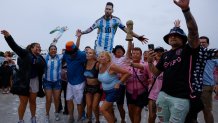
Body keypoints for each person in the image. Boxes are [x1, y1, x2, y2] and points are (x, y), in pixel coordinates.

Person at [147, 0, 201, 122]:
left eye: (176, 35)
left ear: (183, 39)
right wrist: (150, 62)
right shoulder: (166, 55)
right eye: (170, 35)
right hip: (163, 95)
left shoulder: (189, 49)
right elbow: (156, 73)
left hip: (180, 98)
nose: (172, 36)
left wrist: (186, 10)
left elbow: (193, 31)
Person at [1, 30, 45, 123]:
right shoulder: (25, 54)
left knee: (33, 101)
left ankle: (33, 118)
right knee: (23, 102)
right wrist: (8, 37)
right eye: (37, 46)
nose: (39, 48)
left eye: (40, 47)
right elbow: (15, 46)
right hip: (24, 82)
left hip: (35, 81)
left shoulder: (40, 57)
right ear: (32, 48)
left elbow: (42, 67)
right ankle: (21, 120)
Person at [77, 2, 148, 54]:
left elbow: (126, 30)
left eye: (109, 9)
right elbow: (90, 29)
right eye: (106, 9)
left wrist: (138, 37)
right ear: (104, 10)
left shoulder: (116, 20)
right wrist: (82, 32)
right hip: (98, 47)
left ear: (112, 11)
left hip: (109, 49)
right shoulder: (99, 21)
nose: (107, 11)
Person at [98, 51, 131, 123]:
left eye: (103, 56)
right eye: (100, 56)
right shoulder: (100, 65)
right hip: (106, 91)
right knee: (109, 110)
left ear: (108, 58)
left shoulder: (112, 66)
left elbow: (127, 73)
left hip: (114, 90)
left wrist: (119, 83)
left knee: (103, 109)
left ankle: (122, 120)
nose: (101, 58)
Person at [76, 31, 102, 123]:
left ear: (94, 55)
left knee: (95, 106)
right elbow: (76, 50)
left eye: (90, 53)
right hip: (88, 88)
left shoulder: (97, 64)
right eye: (87, 52)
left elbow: (106, 68)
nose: (87, 54)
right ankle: (89, 119)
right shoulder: (85, 63)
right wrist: (79, 37)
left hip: (97, 88)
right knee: (89, 105)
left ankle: (97, 120)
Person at [62, 40, 87, 122]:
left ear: (76, 49)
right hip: (70, 82)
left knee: (79, 102)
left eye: (72, 52)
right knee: (68, 100)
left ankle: (80, 117)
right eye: (69, 52)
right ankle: (71, 116)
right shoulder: (66, 54)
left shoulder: (82, 54)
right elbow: (63, 63)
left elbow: (87, 64)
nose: (70, 54)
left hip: (79, 82)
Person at [43, 45, 62, 123]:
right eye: (52, 49)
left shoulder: (60, 57)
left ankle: (56, 113)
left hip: (57, 81)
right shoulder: (44, 58)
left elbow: (70, 53)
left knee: (57, 99)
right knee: (48, 99)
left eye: (55, 49)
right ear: (49, 50)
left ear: (56, 50)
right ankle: (47, 115)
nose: (53, 50)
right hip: (47, 81)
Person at [147, 47, 164, 123]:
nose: (159, 53)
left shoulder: (168, 63)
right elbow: (143, 71)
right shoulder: (151, 63)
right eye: (157, 52)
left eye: (161, 51)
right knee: (152, 116)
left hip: (165, 94)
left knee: (162, 116)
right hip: (153, 93)